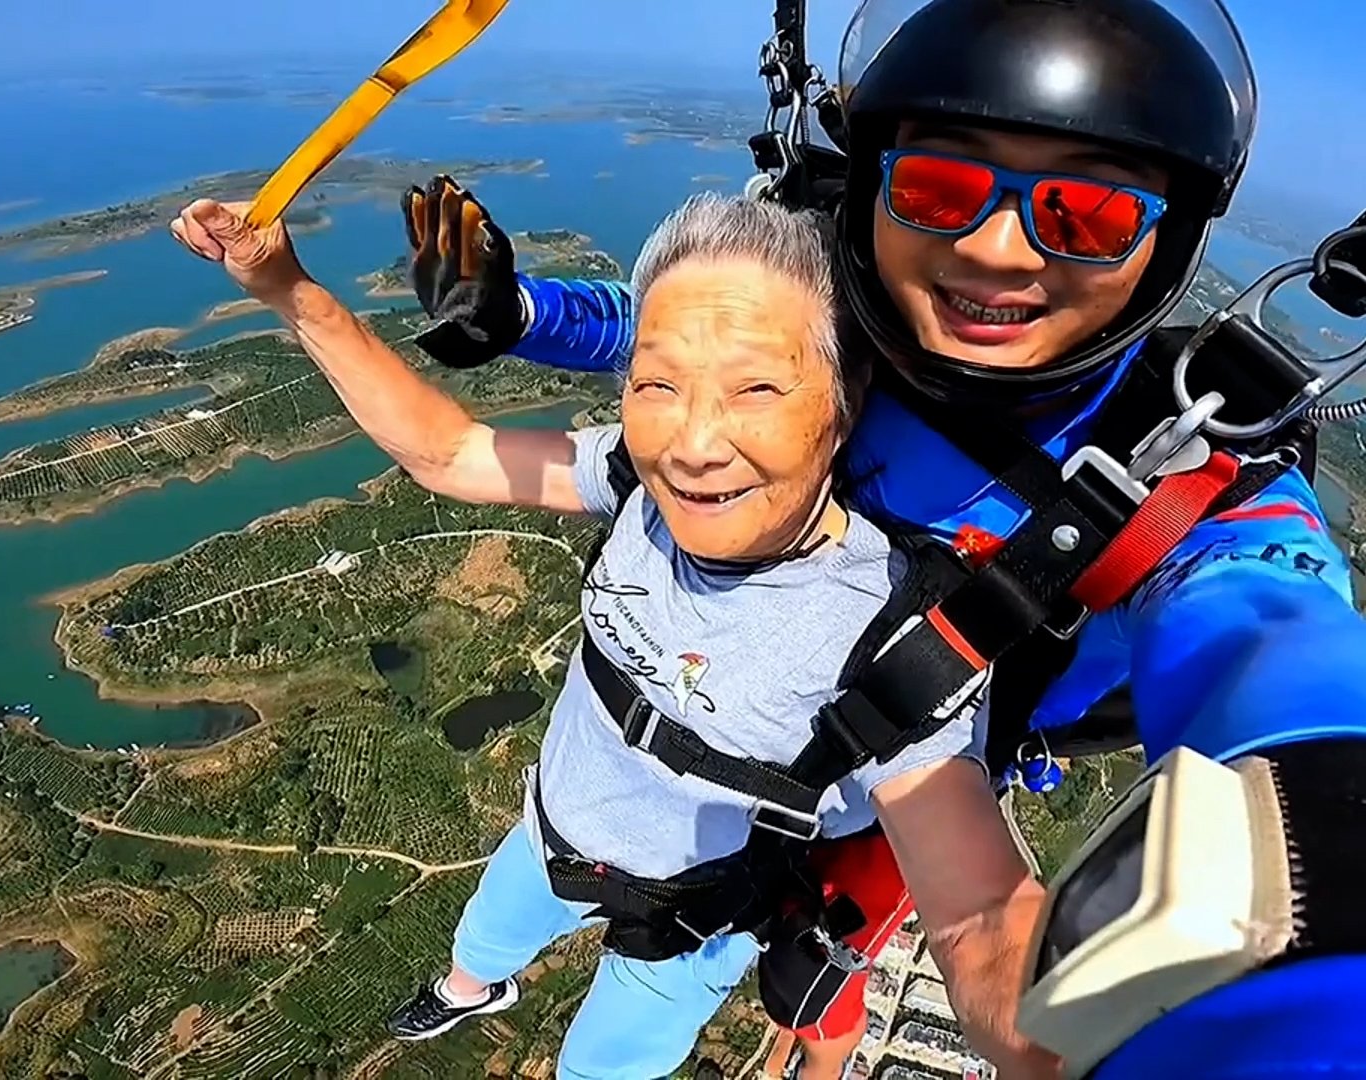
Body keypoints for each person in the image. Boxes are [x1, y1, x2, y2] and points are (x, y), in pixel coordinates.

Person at [402, 1, 1366, 1076]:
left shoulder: (1182, 451)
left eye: (1085, 213)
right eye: (935, 186)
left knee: (755, 986)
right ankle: (505, 977)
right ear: (865, 197)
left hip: (883, 796)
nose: (995, 250)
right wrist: (514, 310)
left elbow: (1271, 624)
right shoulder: (835, 319)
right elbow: (680, 339)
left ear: (1164, 245)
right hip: (715, 728)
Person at [168, 190, 1061, 1079]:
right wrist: (286, 286)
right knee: (480, 941)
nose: (695, 444)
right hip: (550, 829)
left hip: (690, 923)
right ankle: (471, 988)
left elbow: (981, 915)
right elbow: (446, 451)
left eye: (755, 387)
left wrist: (1072, 1047)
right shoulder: (635, 478)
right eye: (657, 384)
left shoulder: (891, 639)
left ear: (845, 399)